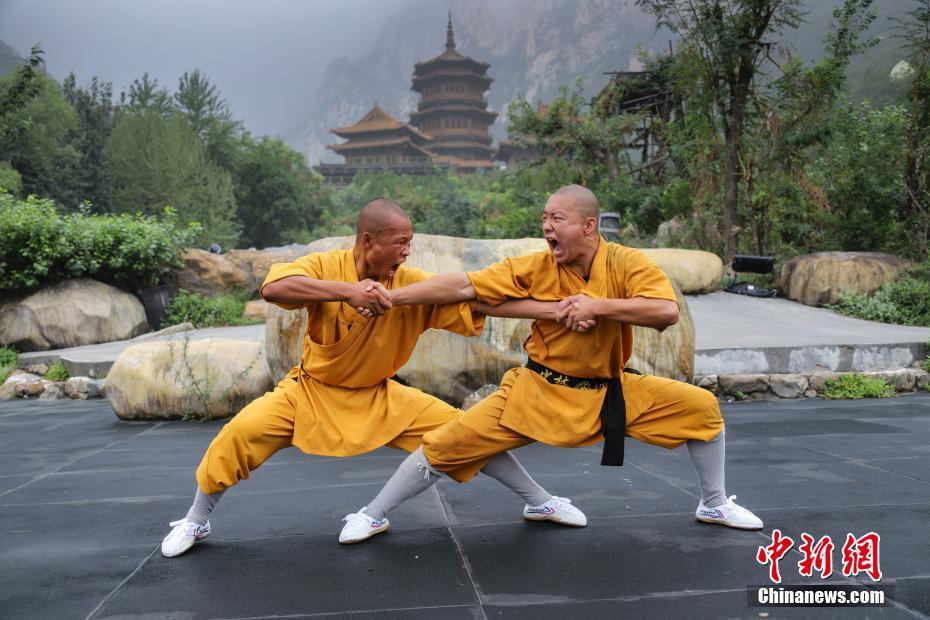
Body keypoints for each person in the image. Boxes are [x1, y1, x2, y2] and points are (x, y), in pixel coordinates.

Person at [161, 199, 587, 557]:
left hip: (382, 396)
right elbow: (275, 289)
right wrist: (347, 291)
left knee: (468, 434)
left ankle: (540, 502)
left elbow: (478, 302)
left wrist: (554, 310)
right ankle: (196, 521)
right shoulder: (327, 266)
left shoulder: (411, 286)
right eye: (400, 242)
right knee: (239, 434)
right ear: (368, 240)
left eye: (410, 243)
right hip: (308, 393)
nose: (406, 251)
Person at [340, 185, 762, 544]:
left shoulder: (627, 263)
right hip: (537, 392)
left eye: (556, 218)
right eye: (545, 218)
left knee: (701, 408)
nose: (546, 226)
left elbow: (665, 311)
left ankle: (715, 504)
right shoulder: (537, 266)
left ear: (589, 225)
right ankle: (372, 513)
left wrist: (599, 305)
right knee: (447, 445)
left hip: (609, 393)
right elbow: (467, 286)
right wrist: (393, 298)